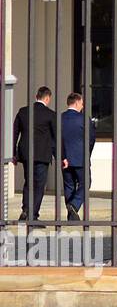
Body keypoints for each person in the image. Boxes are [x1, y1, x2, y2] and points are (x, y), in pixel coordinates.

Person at [12, 86, 57, 223]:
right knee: (39, 185)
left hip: (26, 154)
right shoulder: (50, 114)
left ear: (36, 96)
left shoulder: (23, 112)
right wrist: (59, 155)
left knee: (28, 182)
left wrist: (13, 153)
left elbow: (14, 133)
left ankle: (26, 209)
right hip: (42, 155)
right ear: (48, 98)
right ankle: (33, 215)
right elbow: (56, 137)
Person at [59, 92, 96, 222]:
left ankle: (71, 216)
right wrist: (87, 154)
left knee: (69, 186)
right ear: (76, 102)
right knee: (86, 183)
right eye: (81, 103)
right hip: (81, 158)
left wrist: (62, 156)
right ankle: (74, 205)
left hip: (65, 159)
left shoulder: (60, 118)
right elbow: (91, 140)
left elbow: (56, 140)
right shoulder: (84, 118)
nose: (82, 105)